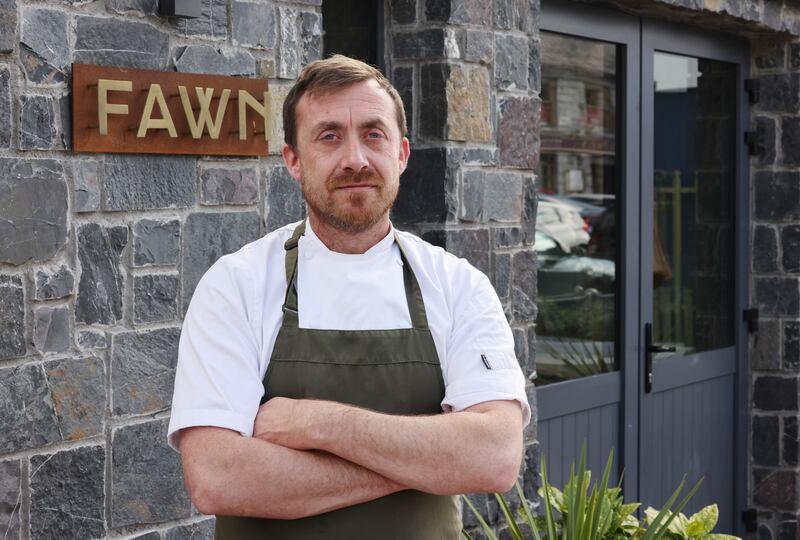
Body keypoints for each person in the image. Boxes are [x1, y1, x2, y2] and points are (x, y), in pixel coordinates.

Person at [168, 54, 531, 539]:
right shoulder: (236, 285)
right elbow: (218, 477)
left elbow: (495, 457)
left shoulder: (457, 286)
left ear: (401, 155)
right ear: (293, 160)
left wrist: (316, 423)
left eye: (374, 134)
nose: (356, 159)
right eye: (329, 136)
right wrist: (424, 463)